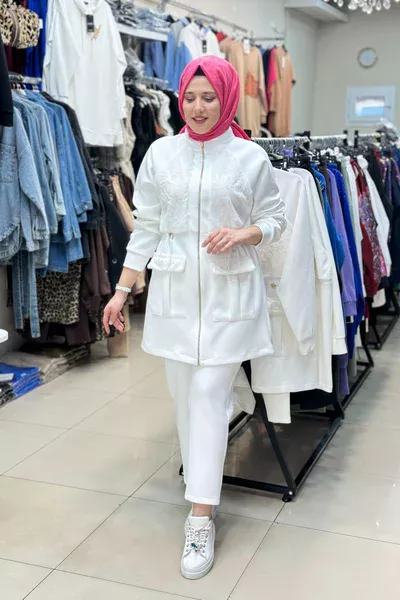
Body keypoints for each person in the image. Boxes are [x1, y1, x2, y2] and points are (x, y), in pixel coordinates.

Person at [103, 55, 286, 581]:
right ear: (179, 99)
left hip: (231, 299)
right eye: (190, 97)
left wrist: (246, 233)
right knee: (187, 400)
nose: (199, 107)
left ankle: (200, 517)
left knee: (206, 395)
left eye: (210, 98)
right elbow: (147, 227)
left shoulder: (250, 156)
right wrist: (121, 291)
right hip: (176, 300)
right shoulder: (161, 154)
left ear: (226, 99)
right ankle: (205, 465)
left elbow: (276, 218)